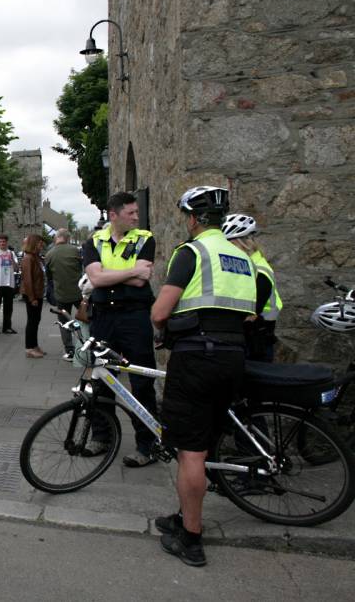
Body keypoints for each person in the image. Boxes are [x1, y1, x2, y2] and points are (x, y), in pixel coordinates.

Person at [151, 186, 257, 568]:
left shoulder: (192, 252)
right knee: (205, 445)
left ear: (193, 219)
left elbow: (161, 310)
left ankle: (191, 539)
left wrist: (162, 326)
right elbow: (250, 313)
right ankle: (182, 516)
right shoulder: (241, 257)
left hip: (196, 357)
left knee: (190, 451)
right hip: (232, 358)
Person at [83, 192, 159, 468]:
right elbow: (94, 277)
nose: (137, 217)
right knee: (102, 378)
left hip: (134, 317)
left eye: (137, 213)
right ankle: (101, 437)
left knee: (141, 380)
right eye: (131, 213)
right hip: (103, 318)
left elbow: (142, 280)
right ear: (113, 215)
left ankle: (147, 444)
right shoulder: (93, 241)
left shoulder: (144, 239)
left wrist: (106, 277)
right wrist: (130, 272)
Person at [221, 214, 282, 362]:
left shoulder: (260, 271)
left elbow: (250, 312)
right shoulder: (246, 266)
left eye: (227, 244)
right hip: (249, 340)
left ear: (240, 243)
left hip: (256, 343)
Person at [44, 230, 83, 359]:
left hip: (61, 293)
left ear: (57, 238)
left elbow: (48, 275)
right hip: (78, 292)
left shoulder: (49, 254)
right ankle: (88, 344)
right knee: (86, 318)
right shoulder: (75, 251)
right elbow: (81, 267)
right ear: (67, 238)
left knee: (64, 322)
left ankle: (70, 350)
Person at [20, 234, 46, 358]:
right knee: (32, 321)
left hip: (38, 293)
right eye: (40, 243)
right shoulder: (28, 258)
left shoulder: (36, 257)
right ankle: (29, 348)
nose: (42, 245)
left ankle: (34, 345)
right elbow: (28, 280)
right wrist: (32, 298)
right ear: (34, 243)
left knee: (36, 320)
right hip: (32, 294)